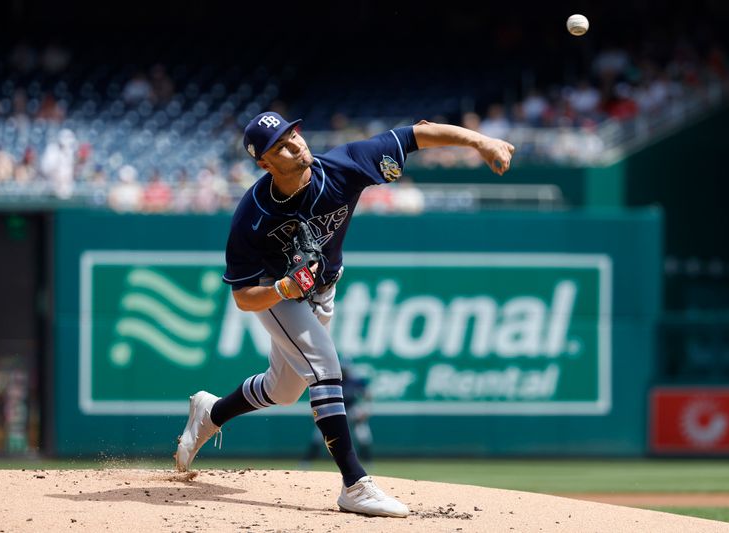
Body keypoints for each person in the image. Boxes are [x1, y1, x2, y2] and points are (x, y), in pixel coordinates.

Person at [174, 111, 515, 518]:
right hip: (278, 294)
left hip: (324, 289)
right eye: (279, 145)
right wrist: (283, 288)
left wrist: (481, 142)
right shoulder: (253, 216)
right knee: (325, 368)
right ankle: (355, 484)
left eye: (292, 134)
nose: (294, 144)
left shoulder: (344, 165)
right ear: (264, 163)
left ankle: (211, 413)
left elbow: (415, 135)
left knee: (284, 391)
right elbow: (244, 298)